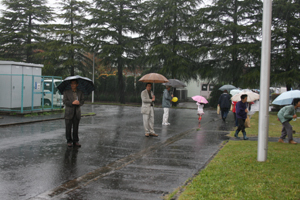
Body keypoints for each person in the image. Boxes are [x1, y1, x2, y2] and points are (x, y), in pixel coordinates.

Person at [63, 79, 84, 147]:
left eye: (74, 84)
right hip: (69, 112)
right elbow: (65, 101)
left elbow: (82, 100)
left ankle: (75, 141)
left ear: (77, 85)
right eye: (71, 84)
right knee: (68, 127)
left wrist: (79, 103)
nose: (72, 85)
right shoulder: (66, 92)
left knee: (76, 127)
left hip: (77, 112)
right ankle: (69, 141)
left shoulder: (80, 92)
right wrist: (72, 103)